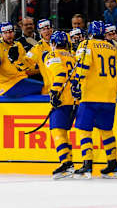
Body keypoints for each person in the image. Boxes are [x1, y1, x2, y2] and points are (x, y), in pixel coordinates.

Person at [72, 21, 117, 179]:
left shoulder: (86, 44)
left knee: (84, 130)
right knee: (106, 131)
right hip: (109, 96)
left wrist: (76, 83)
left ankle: (87, 165)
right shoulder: (112, 47)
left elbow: (84, 65)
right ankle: (113, 166)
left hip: (91, 95)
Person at [44, 30, 77, 179]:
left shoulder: (52, 55)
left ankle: (66, 163)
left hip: (63, 99)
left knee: (57, 131)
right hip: (75, 99)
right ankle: (68, 163)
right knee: (64, 132)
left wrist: (54, 92)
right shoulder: (73, 56)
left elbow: (60, 74)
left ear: (53, 43)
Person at [0, 22, 43, 96]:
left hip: (20, 80)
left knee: (44, 86)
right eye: (5, 33)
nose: (8, 35)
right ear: (1, 34)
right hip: (7, 85)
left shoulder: (18, 45)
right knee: (44, 88)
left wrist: (17, 61)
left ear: (14, 32)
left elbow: (25, 68)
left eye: (10, 32)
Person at [23, 19, 53, 94]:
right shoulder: (36, 49)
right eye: (43, 29)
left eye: (48, 28)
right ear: (39, 32)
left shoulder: (64, 41)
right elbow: (27, 69)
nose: (47, 31)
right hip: (49, 88)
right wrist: (40, 67)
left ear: (52, 29)